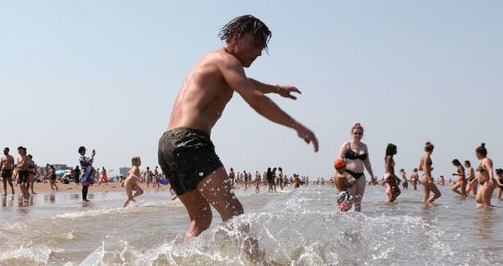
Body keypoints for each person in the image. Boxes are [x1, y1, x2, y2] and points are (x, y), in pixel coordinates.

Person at [158, 15, 316, 240]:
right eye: (256, 44)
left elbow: (247, 83)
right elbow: (256, 100)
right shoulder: (227, 61)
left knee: (201, 219)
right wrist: (296, 125)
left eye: (262, 47)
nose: (259, 52)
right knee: (234, 212)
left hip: (168, 145)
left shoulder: (215, 62)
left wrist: (277, 88)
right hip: (190, 141)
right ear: (236, 37)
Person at [337, 123, 377, 212]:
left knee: (358, 201)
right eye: (355, 133)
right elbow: (339, 162)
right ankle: (342, 220)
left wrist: (372, 176)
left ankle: (358, 223)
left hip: (361, 175)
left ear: (362, 134)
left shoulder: (364, 146)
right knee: (348, 202)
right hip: (349, 174)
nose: (357, 135)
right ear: (352, 133)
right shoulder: (346, 145)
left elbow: (367, 162)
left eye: (359, 133)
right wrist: (341, 176)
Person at [474, 143, 496, 208]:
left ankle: (487, 217)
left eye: (476, 154)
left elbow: (490, 169)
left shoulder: (486, 160)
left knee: (486, 202)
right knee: (478, 200)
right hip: (482, 183)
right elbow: (481, 173)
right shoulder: (482, 161)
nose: (476, 155)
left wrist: (491, 179)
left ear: (479, 153)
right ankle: (487, 214)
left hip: (488, 182)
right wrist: (473, 181)